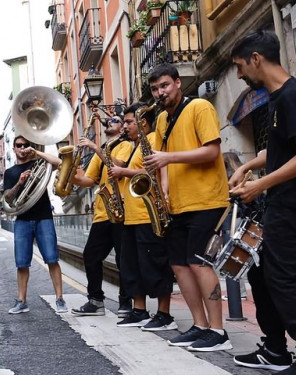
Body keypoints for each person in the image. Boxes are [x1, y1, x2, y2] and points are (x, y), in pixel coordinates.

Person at [229, 30, 296, 373]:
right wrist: (248, 166)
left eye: (240, 66)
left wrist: (260, 184)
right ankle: (275, 349)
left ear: (256, 59)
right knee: (260, 272)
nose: (239, 75)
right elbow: (279, 150)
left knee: (279, 274)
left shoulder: (294, 96)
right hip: (280, 201)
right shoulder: (278, 98)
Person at [143, 63, 231, 351]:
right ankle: (199, 325)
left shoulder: (200, 107)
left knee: (198, 262)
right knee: (179, 266)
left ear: (178, 83)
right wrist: (164, 190)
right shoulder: (161, 121)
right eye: (155, 89)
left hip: (206, 199)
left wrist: (168, 160)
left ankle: (218, 332)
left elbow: (212, 151)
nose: (160, 93)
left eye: (165, 86)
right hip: (177, 205)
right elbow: (163, 160)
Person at [108, 103, 176, 330]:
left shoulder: (154, 139)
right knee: (132, 266)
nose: (125, 126)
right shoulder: (134, 146)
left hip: (149, 215)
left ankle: (164, 314)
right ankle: (139, 310)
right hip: (131, 216)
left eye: (128, 122)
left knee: (155, 265)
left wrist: (123, 171)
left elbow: (153, 172)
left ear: (143, 122)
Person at [70, 116, 133, 318]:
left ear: (123, 128)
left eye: (115, 120)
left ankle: (126, 302)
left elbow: (118, 166)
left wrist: (94, 147)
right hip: (102, 212)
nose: (109, 122)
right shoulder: (102, 148)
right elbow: (89, 180)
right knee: (90, 255)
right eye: (107, 121)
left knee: (124, 259)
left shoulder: (125, 145)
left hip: (121, 210)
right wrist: (69, 174)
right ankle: (95, 301)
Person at [1, 135, 67, 314]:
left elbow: (58, 162)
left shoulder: (40, 163)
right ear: (14, 148)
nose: (22, 148)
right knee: (22, 263)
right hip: (22, 218)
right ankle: (22, 300)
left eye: (25, 145)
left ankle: (60, 299)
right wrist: (20, 183)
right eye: (19, 145)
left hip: (44, 217)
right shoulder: (10, 172)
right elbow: (7, 197)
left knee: (52, 259)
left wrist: (36, 152)